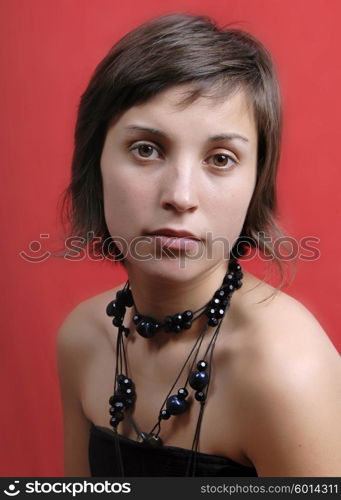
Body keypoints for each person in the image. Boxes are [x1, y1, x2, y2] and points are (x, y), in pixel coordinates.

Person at [56, 13, 341, 477]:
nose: (181, 196)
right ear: (96, 161)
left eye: (221, 159)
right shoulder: (81, 339)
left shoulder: (285, 369)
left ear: (256, 183)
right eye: (147, 149)